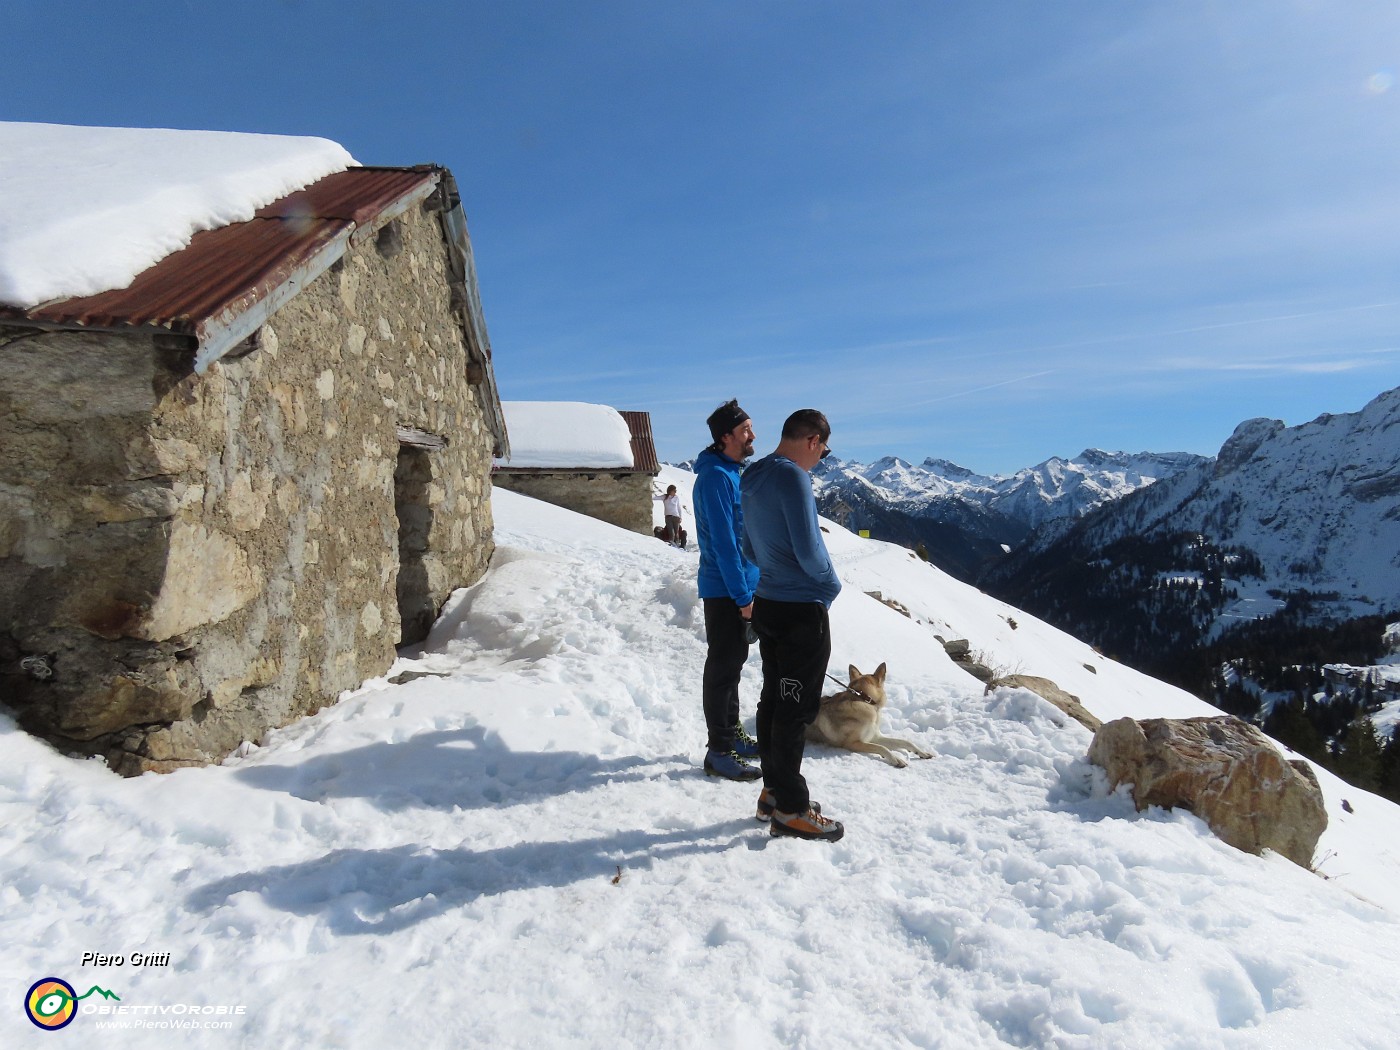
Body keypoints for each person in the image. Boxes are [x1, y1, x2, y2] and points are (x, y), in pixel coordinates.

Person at [740, 409, 845, 841]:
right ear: (814, 441)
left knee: (774, 698)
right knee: (795, 710)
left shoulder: (754, 474)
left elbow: (747, 546)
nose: (821, 459)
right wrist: (830, 585)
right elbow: (809, 549)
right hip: (801, 610)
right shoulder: (793, 478)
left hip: (768, 602)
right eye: (824, 450)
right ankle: (792, 809)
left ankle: (773, 790)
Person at [692, 399, 762, 781]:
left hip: (741, 587)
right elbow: (723, 544)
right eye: (746, 429)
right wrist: (742, 598)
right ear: (725, 437)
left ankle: (731, 735)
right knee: (722, 669)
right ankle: (718, 750)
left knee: (732, 666)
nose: (753, 435)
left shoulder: (732, 472)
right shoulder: (716, 477)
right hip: (726, 591)